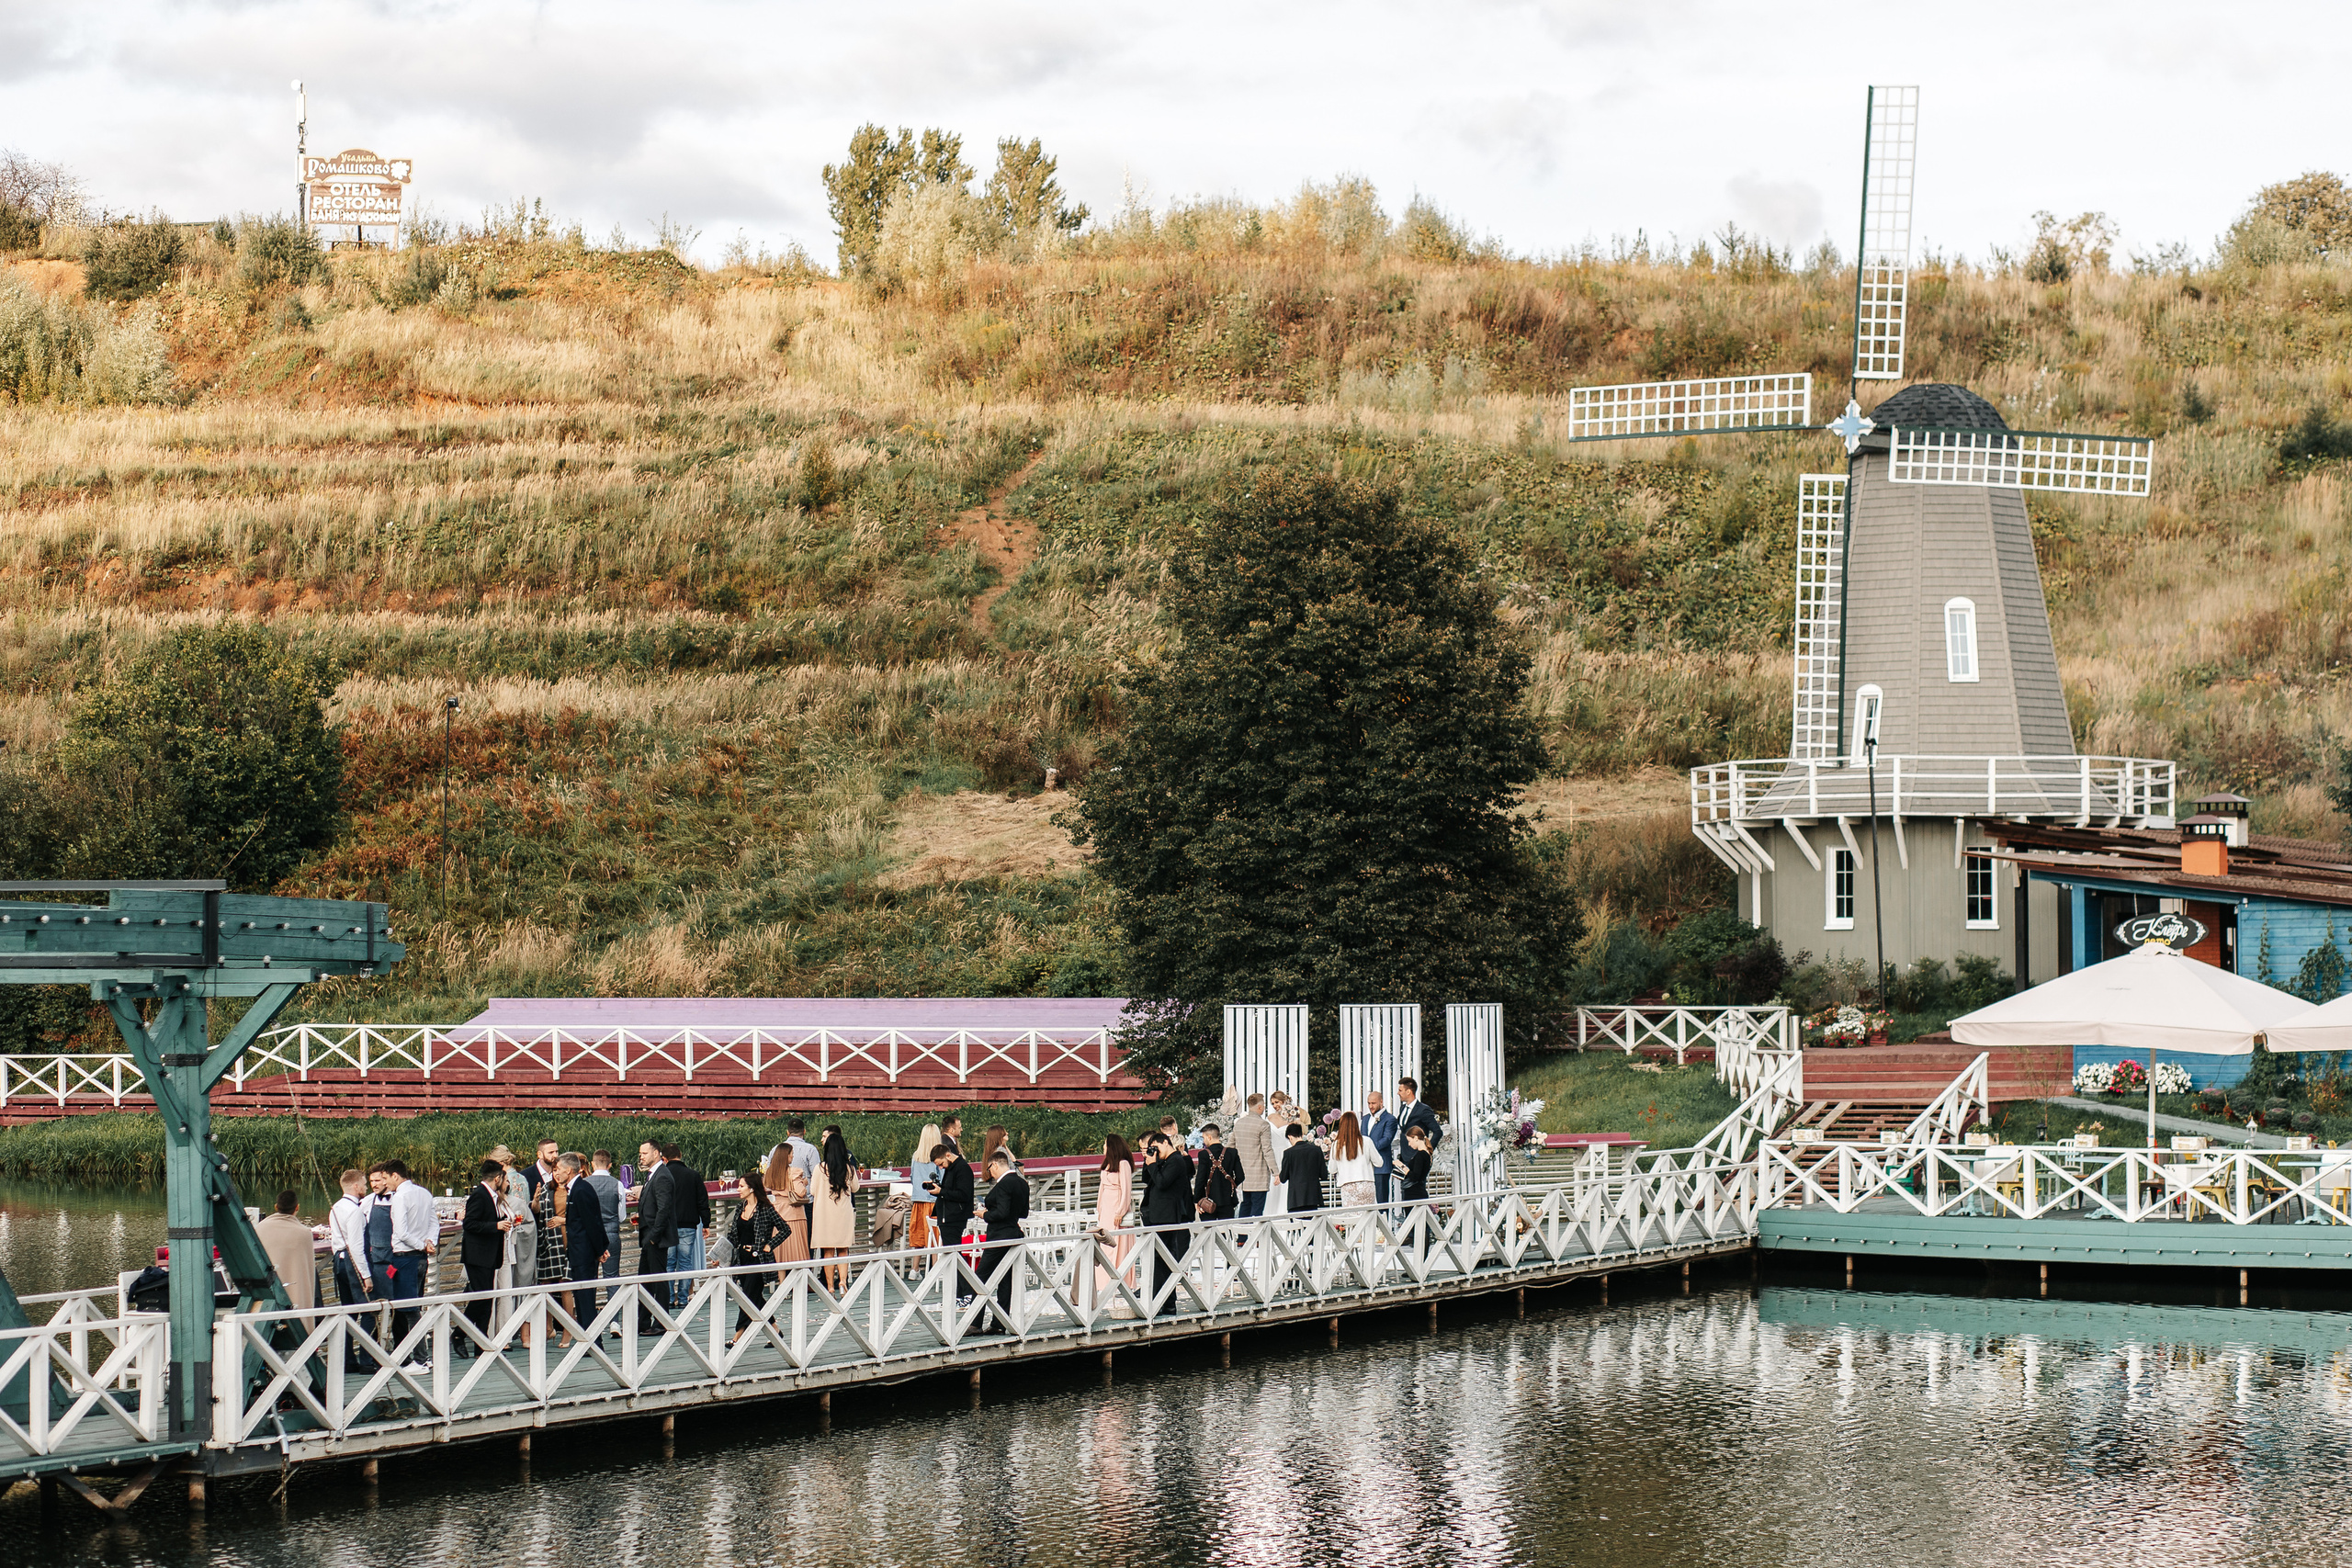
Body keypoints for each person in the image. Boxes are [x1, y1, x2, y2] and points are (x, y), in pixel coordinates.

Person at [383, 1159, 436, 1369]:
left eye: (386, 1178)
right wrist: (429, 1242)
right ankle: (417, 1356)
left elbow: (401, 1232)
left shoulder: (400, 1197)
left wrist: (422, 1245)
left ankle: (421, 1359)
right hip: (420, 1259)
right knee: (413, 1305)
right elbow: (434, 1222)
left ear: (395, 1176)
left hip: (405, 1257)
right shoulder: (424, 1192)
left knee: (410, 1308)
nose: (385, 1183)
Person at [728, 1170, 789, 1341]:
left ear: (752, 1188)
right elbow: (733, 1235)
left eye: (741, 1186)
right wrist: (722, 1254)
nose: (738, 1189)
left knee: (747, 1297)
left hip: (758, 1258)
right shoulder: (740, 1207)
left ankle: (737, 1337)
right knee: (755, 1298)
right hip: (742, 1259)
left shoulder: (766, 1209)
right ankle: (776, 1331)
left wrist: (769, 1245)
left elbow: (785, 1229)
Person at [459, 1157, 513, 1353]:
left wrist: (502, 1221)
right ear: (498, 1178)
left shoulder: (490, 1195)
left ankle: (479, 1345)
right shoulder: (480, 1195)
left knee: (486, 1300)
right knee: (481, 1299)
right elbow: (470, 1224)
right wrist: (496, 1225)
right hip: (477, 1255)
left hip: (488, 1255)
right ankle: (459, 1333)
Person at [559, 1152, 609, 1343]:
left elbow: (593, 1222)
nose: (557, 1174)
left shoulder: (581, 1190)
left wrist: (600, 1249)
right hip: (579, 1253)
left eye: (559, 1170)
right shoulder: (577, 1189)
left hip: (585, 1254)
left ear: (569, 1170)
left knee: (586, 1297)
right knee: (581, 1297)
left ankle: (593, 1341)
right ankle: (587, 1339)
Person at [1137, 1134, 1194, 1303]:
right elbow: (1147, 1179)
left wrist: (1154, 1164)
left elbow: (1162, 1183)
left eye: (1156, 1147)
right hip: (1158, 1215)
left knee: (1164, 1259)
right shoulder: (1162, 1161)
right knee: (1159, 1260)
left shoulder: (1176, 1160)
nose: (1156, 1151)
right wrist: (1149, 1160)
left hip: (1168, 1216)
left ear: (1165, 1143)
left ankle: (1163, 1301)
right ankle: (1165, 1302)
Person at [979, 1150, 1029, 1329]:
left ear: (995, 1164)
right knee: (1005, 1280)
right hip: (1014, 1234)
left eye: (989, 1168)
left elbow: (1001, 1212)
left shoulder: (1003, 1185)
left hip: (999, 1236)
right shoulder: (1022, 1183)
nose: (989, 1173)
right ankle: (1000, 1322)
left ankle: (975, 1323)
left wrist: (985, 1214)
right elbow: (1023, 1213)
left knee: (981, 1277)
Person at [810, 1128, 862, 1292]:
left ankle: (830, 1286)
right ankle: (843, 1281)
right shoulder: (849, 1169)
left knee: (827, 1252)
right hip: (843, 1213)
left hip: (824, 1214)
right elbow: (855, 1188)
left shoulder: (820, 1169)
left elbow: (812, 1191)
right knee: (843, 1250)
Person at [634, 1139, 677, 1334]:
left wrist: (653, 1237)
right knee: (644, 1280)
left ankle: (661, 1322)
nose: (641, 1157)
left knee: (658, 1280)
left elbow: (664, 1209)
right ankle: (642, 1322)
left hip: (655, 1239)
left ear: (657, 1153)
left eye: (644, 1153)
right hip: (649, 1236)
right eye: (640, 1154)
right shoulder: (654, 1175)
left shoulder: (662, 1176)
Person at [1091, 1134, 1136, 1313]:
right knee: (1104, 1245)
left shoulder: (1123, 1164)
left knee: (1117, 1244)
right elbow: (1101, 1188)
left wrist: (1121, 1210)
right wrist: (1099, 1208)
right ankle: (1103, 1282)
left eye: (1105, 1144)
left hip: (1117, 1206)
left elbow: (1126, 1189)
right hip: (1106, 1209)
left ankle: (1121, 1281)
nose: (1103, 1147)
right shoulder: (1106, 1165)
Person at [663, 1142, 711, 1308]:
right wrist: (706, 1222)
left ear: (664, 1158)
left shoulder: (662, 1174)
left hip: (667, 1225)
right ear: (680, 1155)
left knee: (669, 1263)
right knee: (685, 1262)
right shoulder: (693, 1175)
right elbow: (702, 1200)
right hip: (688, 1224)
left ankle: (669, 1299)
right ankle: (683, 1299)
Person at [256, 1189, 319, 1314]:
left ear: (276, 1207)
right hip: (294, 1291)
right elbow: (308, 1270)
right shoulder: (304, 1233)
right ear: (297, 1207)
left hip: (267, 1291)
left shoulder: (260, 1228)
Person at [326, 1168, 371, 1317]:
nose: (367, 1187)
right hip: (352, 1263)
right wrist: (366, 1276)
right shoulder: (354, 1211)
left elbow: (335, 1240)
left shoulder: (335, 1207)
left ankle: (345, 1341)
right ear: (356, 1186)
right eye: (364, 1184)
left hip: (339, 1262)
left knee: (348, 1311)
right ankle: (367, 1341)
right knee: (367, 1309)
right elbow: (356, 1247)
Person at [927, 1142, 974, 1284]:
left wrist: (941, 1191)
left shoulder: (962, 1168)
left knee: (955, 1256)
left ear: (948, 1155)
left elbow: (964, 1195)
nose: (941, 1167)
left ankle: (964, 1291)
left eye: (941, 1163)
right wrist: (939, 1190)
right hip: (947, 1216)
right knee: (953, 1255)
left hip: (955, 1217)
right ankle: (960, 1291)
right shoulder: (952, 1168)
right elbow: (952, 1190)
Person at [764, 1141, 813, 1269]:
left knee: (781, 1250)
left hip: (778, 1211)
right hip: (794, 1213)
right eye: (791, 1154)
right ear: (786, 1156)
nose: (793, 1156)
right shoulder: (794, 1172)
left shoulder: (770, 1172)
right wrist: (804, 1182)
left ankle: (782, 1281)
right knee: (798, 1250)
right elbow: (801, 1192)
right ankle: (801, 1280)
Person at [586, 1150, 626, 1294]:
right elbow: (621, 1217)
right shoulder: (618, 1184)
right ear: (610, 1165)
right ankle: (614, 1315)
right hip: (611, 1234)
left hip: (589, 1237)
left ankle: (590, 1315)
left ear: (592, 1164)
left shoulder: (584, 1184)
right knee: (612, 1277)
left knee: (590, 1279)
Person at [1233, 1093, 1276, 1219]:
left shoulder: (1239, 1124)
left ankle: (1242, 1236)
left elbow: (1231, 1146)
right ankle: (1256, 1237)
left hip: (1243, 1174)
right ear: (1259, 1107)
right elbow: (1267, 1149)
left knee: (1245, 1204)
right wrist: (1276, 1171)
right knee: (1257, 1208)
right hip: (1259, 1174)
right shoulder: (1263, 1125)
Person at [1329, 1111, 1378, 1211]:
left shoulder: (1336, 1144)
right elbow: (1379, 1162)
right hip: (1366, 1184)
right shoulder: (1366, 1141)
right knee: (1368, 1218)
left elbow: (1332, 1169)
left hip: (1348, 1186)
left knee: (1352, 1220)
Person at [1193, 1123, 1241, 1221]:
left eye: (1204, 1138)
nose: (1204, 1141)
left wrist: (1197, 1200)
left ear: (1209, 1137)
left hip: (1208, 1201)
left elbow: (1200, 1179)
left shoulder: (1203, 1154)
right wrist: (1230, 1186)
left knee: (1209, 1233)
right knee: (1226, 1233)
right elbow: (1240, 1176)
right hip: (1228, 1200)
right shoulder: (1232, 1153)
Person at [907, 1122, 943, 1252]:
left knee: (919, 1238)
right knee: (934, 1238)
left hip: (918, 1201)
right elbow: (942, 1179)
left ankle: (914, 1269)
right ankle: (934, 1268)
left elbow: (912, 1176)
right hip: (933, 1202)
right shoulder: (939, 1158)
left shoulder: (916, 1155)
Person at [1278, 1123, 1329, 1214]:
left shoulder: (1288, 1153)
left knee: (1296, 1227)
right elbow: (1324, 1175)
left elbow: (1283, 1178)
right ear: (1301, 1134)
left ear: (1290, 1137)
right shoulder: (1316, 1150)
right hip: (1313, 1197)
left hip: (1295, 1199)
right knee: (1313, 1226)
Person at [1363, 1089, 1398, 1208]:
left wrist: (1368, 1150)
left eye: (1373, 1103)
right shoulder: (1365, 1119)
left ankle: (1383, 1225)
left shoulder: (1390, 1119)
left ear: (1381, 1102)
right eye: (1369, 1103)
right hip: (1365, 1166)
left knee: (1381, 1201)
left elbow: (1386, 1139)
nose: (1370, 1106)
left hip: (1381, 1166)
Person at [1395, 1077, 1441, 1158]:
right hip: (1404, 1157)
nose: (1398, 1093)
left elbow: (1438, 1132)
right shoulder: (1402, 1108)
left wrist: (1427, 1151)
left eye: (1400, 1090)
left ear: (1408, 1091)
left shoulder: (1423, 1110)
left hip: (1418, 1157)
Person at [1397, 1123, 1434, 1206]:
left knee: (1411, 1218)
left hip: (1414, 1194)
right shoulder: (1427, 1154)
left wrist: (1402, 1166)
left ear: (1416, 1138)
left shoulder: (1420, 1155)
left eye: (1410, 1141)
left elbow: (1415, 1176)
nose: (1409, 1144)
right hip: (1419, 1192)